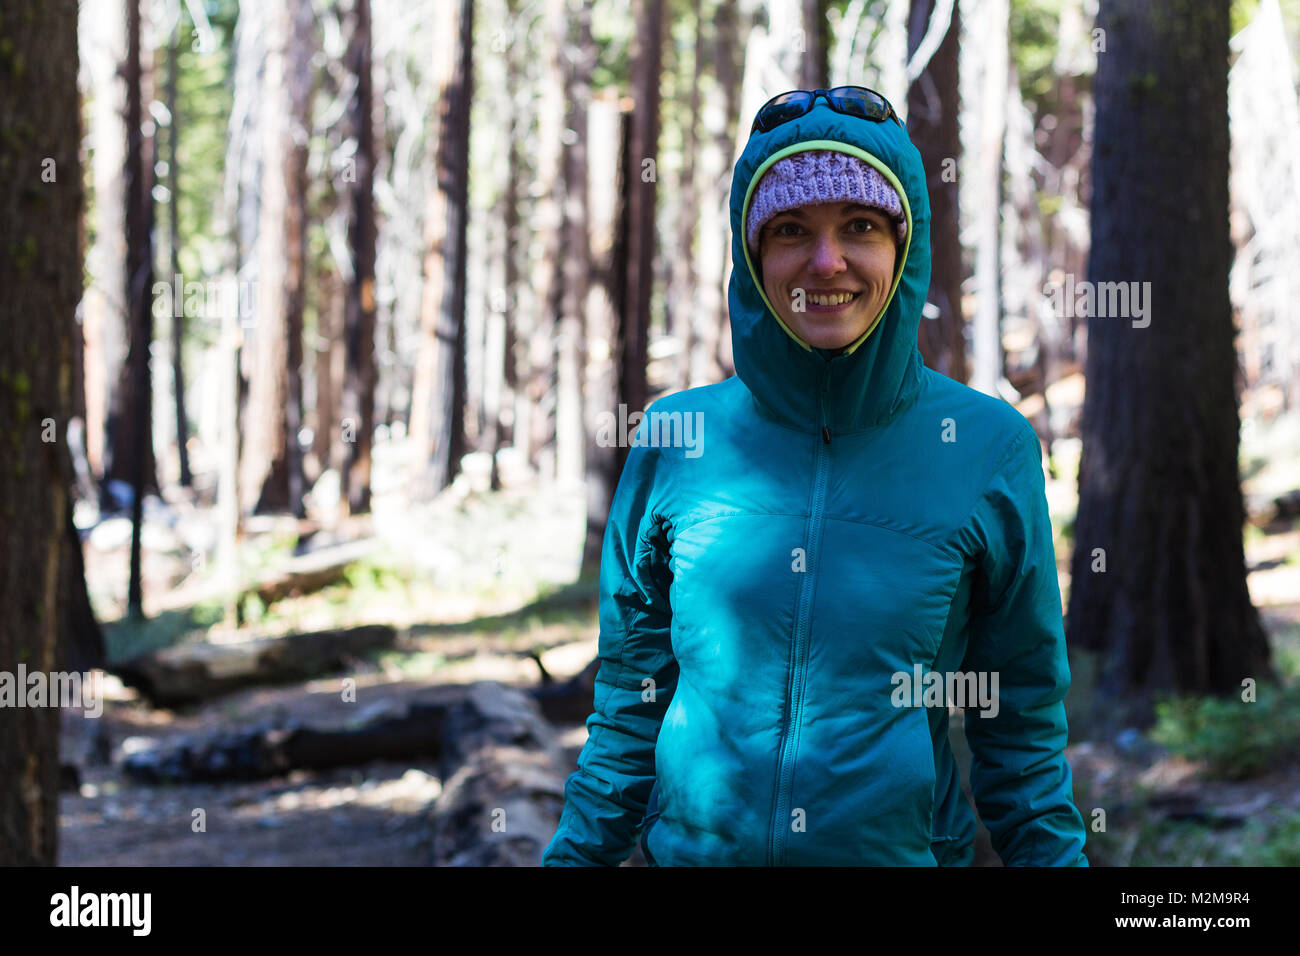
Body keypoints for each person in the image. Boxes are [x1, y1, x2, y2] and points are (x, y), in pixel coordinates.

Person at [542, 87, 1089, 866]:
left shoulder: (986, 447)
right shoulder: (674, 438)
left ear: (903, 248)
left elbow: (1022, 731)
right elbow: (629, 709)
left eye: (859, 227)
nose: (826, 261)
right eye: (792, 230)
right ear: (752, 250)